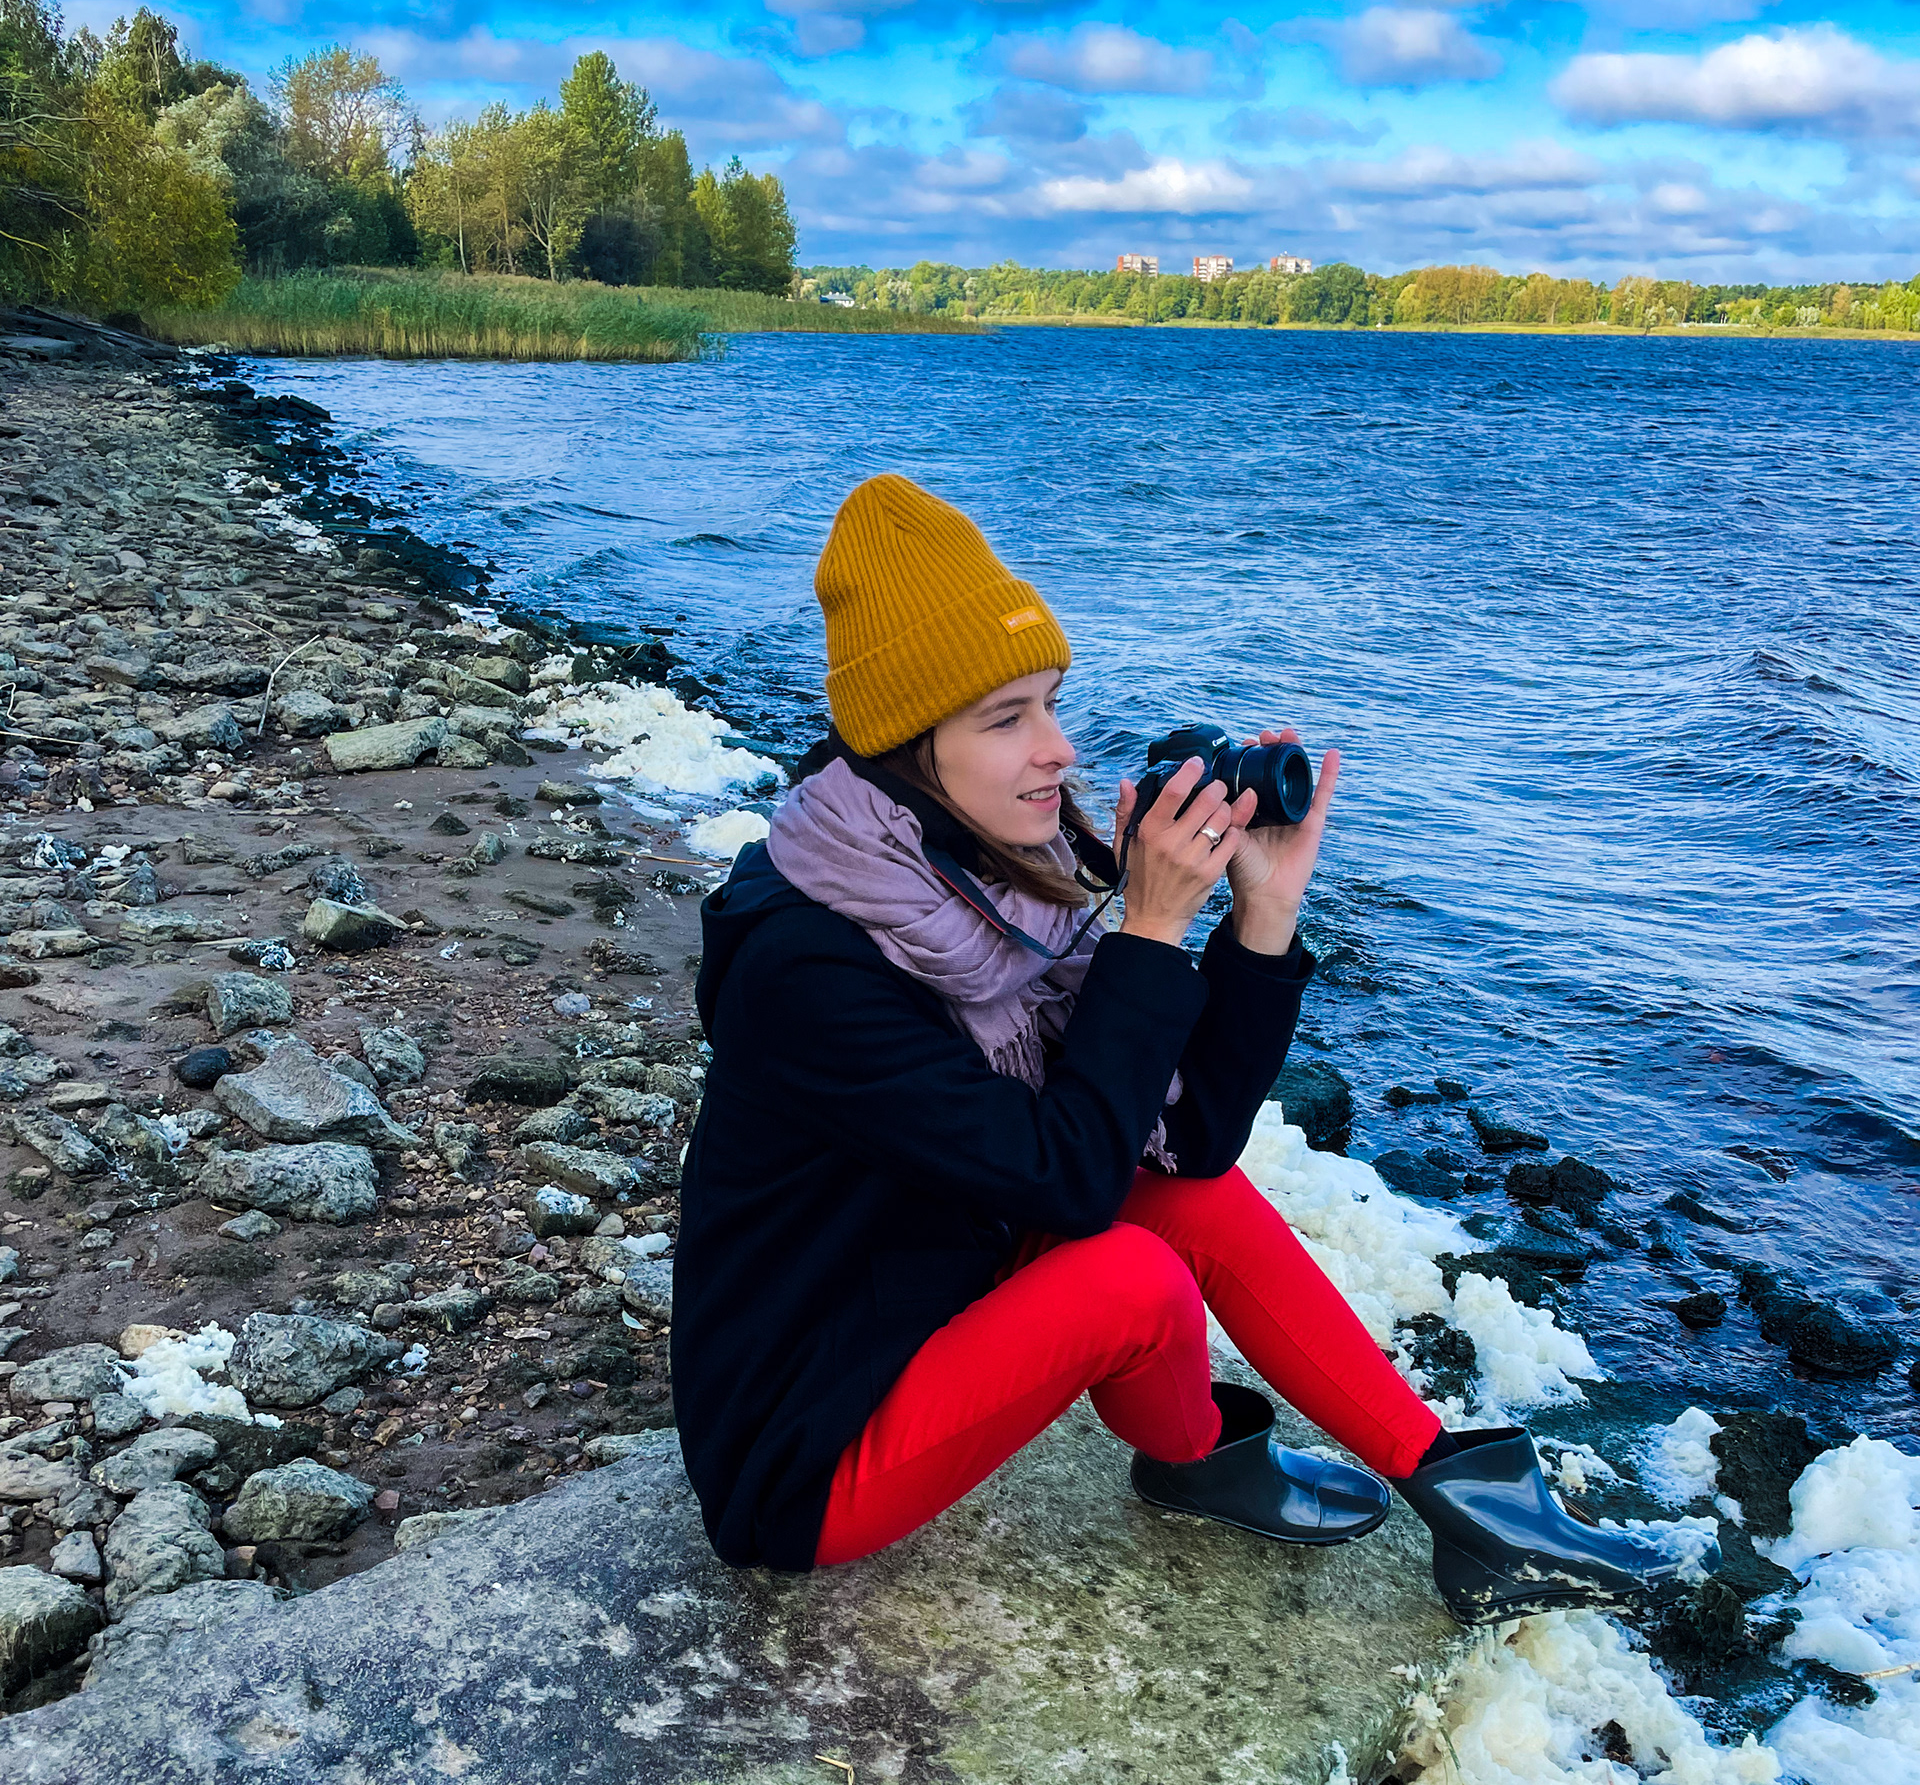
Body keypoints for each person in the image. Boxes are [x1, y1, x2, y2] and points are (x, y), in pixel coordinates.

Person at [672, 474, 1694, 1626]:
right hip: (804, 1445)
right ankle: (1197, 1457)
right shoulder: (809, 962)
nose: (1059, 749)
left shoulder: (980, 883)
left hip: (926, 1283)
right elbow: (1070, 1176)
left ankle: (1472, 1504)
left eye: (1052, 704)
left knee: (1190, 1207)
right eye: (1007, 720)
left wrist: (1263, 914)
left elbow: (1189, 1144)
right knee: (1134, 1277)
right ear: (907, 747)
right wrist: (1149, 931)